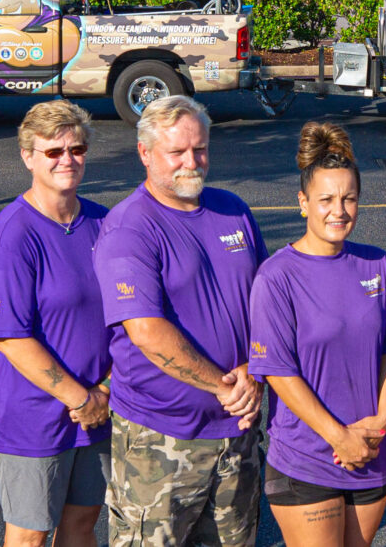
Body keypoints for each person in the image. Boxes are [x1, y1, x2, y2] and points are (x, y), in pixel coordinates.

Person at [94, 95, 267, 547]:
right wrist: (225, 386)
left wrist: (256, 367)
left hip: (237, 435)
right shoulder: (129, 228)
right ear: (146, 154)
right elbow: (147, 332)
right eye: (177, 152)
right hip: (162, 440)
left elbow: (268, 303)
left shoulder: (234, 211)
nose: (192, 162)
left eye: (200, 148)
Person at [249, 123, 386, 547]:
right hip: (308, 458)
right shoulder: (277, 277)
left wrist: (385, 419)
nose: (339, 210)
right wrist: (340, 437)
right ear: (303, 203)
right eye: (326, 200)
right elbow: (278, 372)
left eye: (349, 198)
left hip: (371, 451)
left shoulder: (376, 264)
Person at [0, 100, 113, 547]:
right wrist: (81, 397)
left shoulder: (104, 224)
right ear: (28, 157)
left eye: (75, 149)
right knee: (30, 535)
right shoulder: (12, 237)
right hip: (33, 419)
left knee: (80, 527)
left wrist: (104, 393)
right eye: (53, 152)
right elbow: (10, 338)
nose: (67, 160)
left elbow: (127, 317)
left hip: (98, 411)